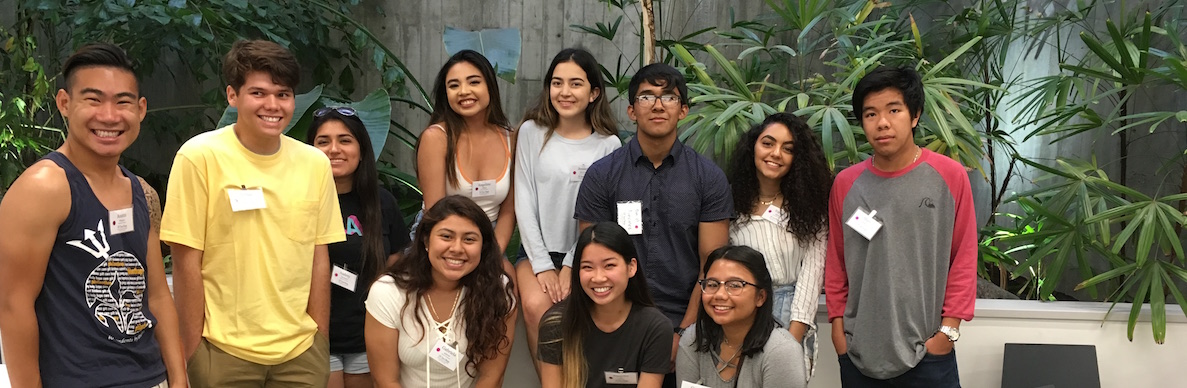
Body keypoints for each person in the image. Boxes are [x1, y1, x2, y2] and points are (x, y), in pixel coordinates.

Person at [0, 42, 186, 388]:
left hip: (150, 377)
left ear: (141, 109)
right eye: (93, 99)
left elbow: (157, 295)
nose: (110, 116)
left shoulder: (142, 192)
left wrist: (178, 378)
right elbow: (13, 306)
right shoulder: (43, 189)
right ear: (64, 103)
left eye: (123, 102)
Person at [161, 39, 346, 387]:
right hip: (222, 351)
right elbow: (186, 259)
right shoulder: (199, 156)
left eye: (283, 94)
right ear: (233, 95)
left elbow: (319, 256)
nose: (273, 105)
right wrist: (192, 350)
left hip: (300, 352)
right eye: (258, 93)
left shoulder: (314, 164)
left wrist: (319, 339)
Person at [574, 63, 732, 386]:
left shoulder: (708, 178)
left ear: (684, 110)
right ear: (631, 111)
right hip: (616, 320)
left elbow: (712, 267)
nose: (658, 105)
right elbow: (592, 262)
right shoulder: (602, 176)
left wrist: (682, 334)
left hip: (689, 324)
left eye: (669, 97)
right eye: (647, 96)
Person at [824, 66, 977, 387]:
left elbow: (964, 257)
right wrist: (838, 329)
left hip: (928, 350)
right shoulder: (846, 184)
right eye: (870, 114)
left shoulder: (949, 176)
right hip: (858, 351)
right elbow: (837, 262)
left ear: (915, 115)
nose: (882, 122)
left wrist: (947, 332)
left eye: (894, 110)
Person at [514, 47, 622, 374]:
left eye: (576, 84)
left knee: (577, 317)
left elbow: (602, 215)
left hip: (589, 253)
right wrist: (545, 265)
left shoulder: (609, 144)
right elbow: (524, 199)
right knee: (536, 308)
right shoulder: (532, 133)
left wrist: (573, 264)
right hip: (536, 251)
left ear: (594, 93)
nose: (564, 92)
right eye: (557, 83)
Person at [306, 106, 412, 388]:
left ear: (362, 149)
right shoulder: (297, 201)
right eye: (323, 141)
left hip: (368, 333)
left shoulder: (382, 203)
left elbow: (394, 266)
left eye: (345, 140)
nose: (334, 149)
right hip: (313, 334)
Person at [364, 195, 517, 388]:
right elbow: (385, 381)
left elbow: (492, 378)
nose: (457, 248)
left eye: (469, 239)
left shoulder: (498, 291)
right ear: (426, 240)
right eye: (446, 236)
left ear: (483, 247)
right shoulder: (388, 292)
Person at [726, 112, 830, 380]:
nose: (776, 154)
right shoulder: (730, 203)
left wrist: (793, 336)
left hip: (790, 311)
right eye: (768, 143)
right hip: (739, 310)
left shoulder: (809, 206)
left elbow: (813, 272)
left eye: (788, 148)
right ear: (753, 147)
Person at [416, 50, 516, 281]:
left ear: (489, 86)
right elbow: (435, 212)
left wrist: (490, 254)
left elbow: (509, 211)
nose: (464, 91)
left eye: (474, 82)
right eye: (453, 85)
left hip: (490, 238)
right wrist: (463, 250)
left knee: (506, 283)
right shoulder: (436, 138)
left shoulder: (511, 137)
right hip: (442, 237)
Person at [537, 222, 672, 388]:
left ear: (631, 267)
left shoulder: (655, 328)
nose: (598, 277)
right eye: (587, 267)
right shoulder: (556, 324)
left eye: (609, 265)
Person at [676, 245, 805, 388]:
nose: (720, 295)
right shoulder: (693, 339)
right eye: (712, 284)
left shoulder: (781, 351)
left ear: (760, 297)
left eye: (735, 285)